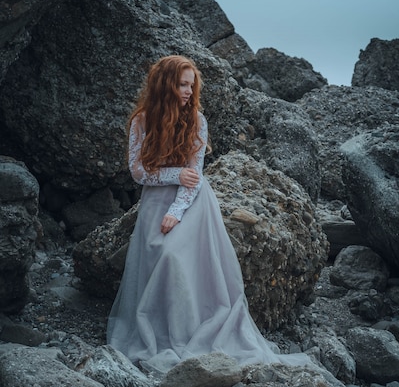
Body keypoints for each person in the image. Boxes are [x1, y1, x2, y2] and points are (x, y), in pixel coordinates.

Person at [106, 55, 311, 374]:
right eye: (182, 84)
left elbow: (195, 175)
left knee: (176, 257)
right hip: (154, 199)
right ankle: (161, 332)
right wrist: (173, 175)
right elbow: (137, 171)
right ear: (165, 85)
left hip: (192, 203)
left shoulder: (197, 121)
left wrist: (176, 211)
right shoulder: (142, 120)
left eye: (191, 85)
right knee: (159, 256)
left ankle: (190, 331)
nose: (188, 91)